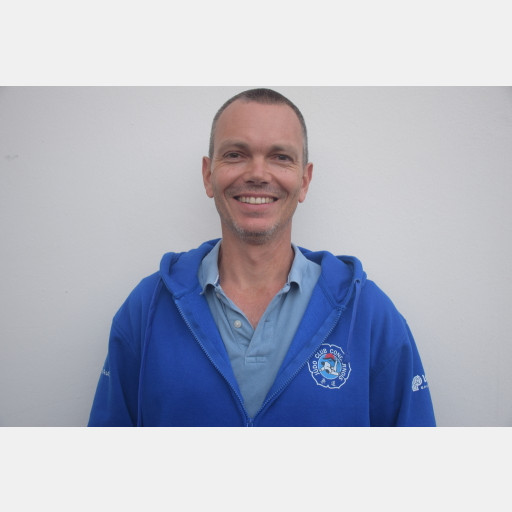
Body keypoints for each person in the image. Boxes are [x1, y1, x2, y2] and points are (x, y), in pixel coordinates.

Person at [88, 88, 436, 427]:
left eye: (280, 157)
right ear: (208, 175)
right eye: (235, 154)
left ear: (305, 180)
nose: (257, 173)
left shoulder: (370, 315)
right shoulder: (147, 308)